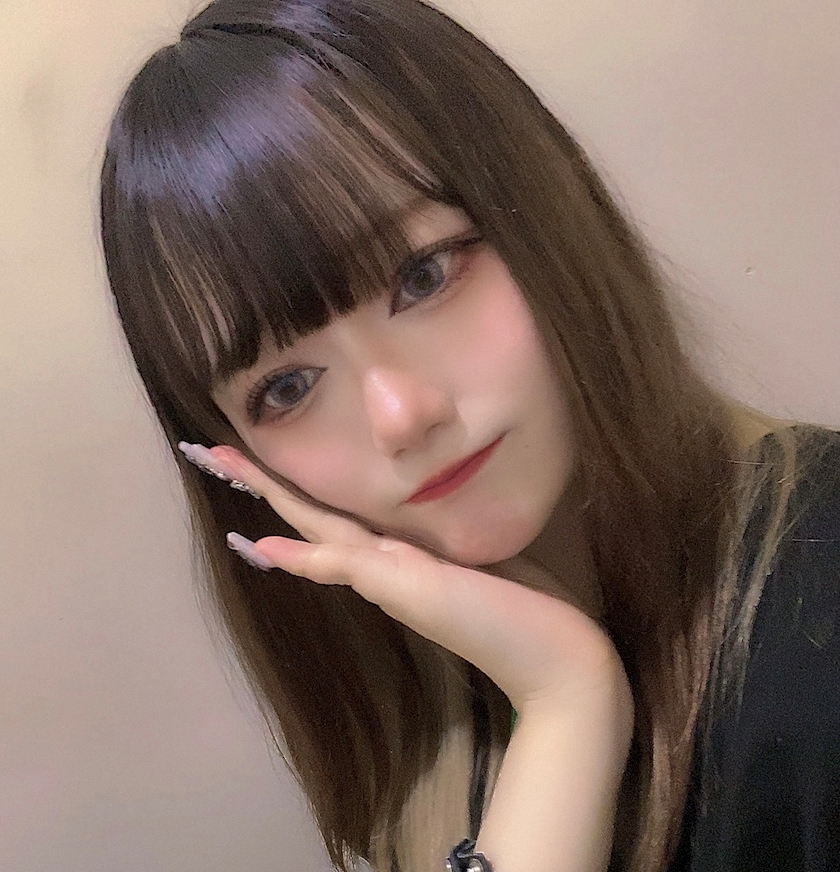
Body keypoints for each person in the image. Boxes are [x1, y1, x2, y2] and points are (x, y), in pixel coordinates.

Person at [98, 1, 840, 870]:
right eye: (287, 389)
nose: (401, 415)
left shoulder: (815, 614)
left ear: (543, 204)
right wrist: (567, 701)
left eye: (424, 276)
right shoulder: (431, 735)